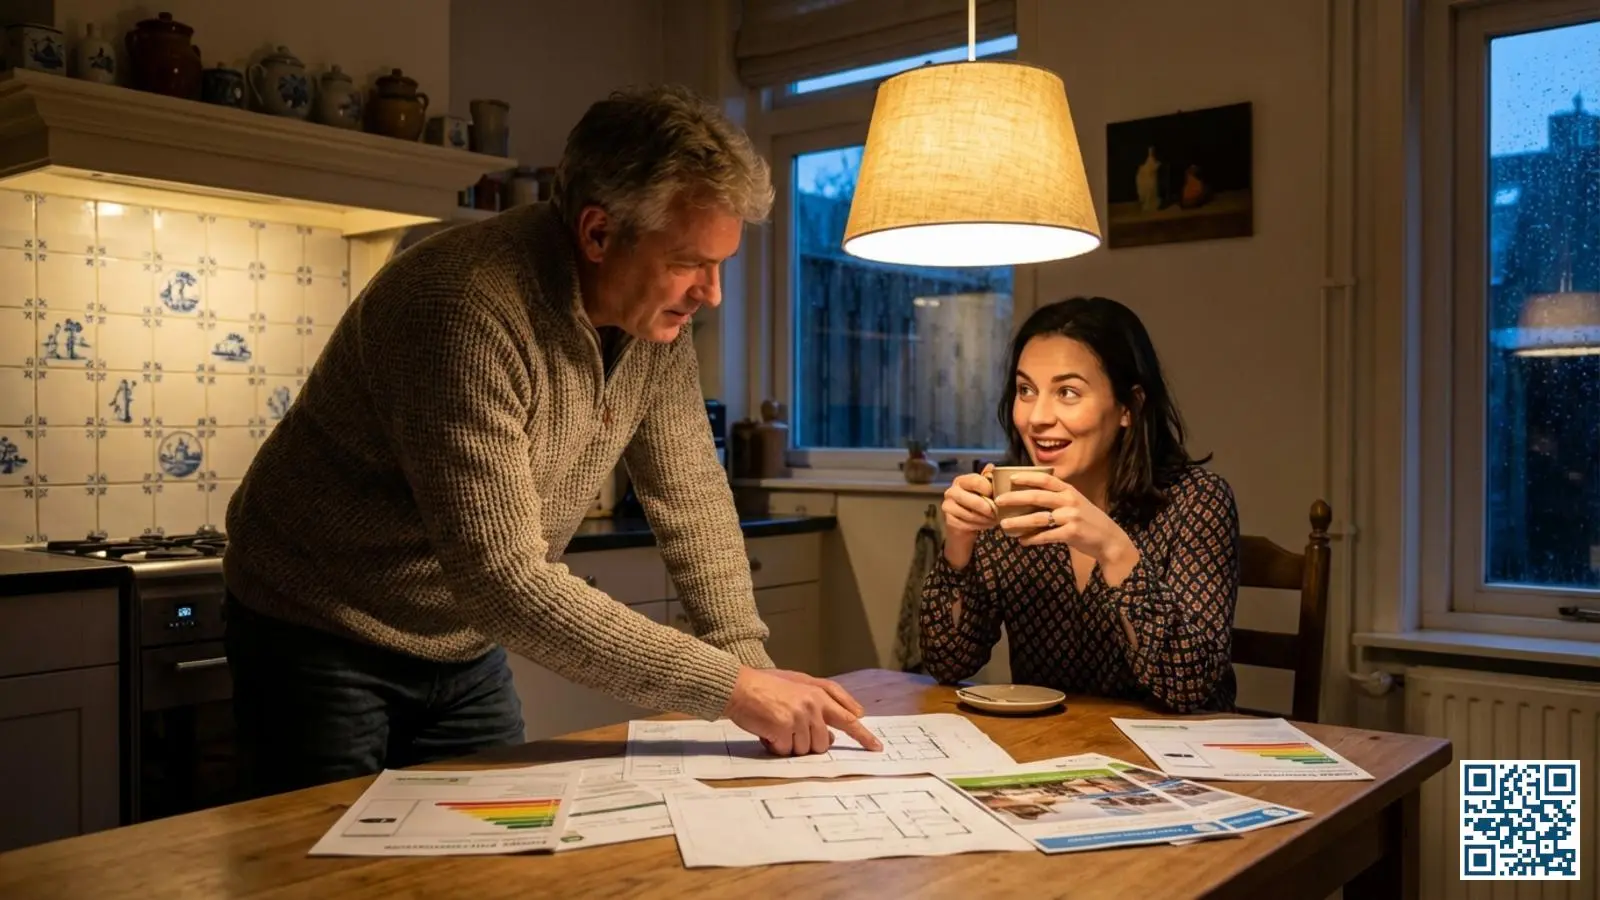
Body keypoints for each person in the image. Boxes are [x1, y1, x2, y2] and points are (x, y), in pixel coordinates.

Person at [222, 84, 880, 799]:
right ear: (598, 234)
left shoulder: (653, 326)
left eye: (721, 265)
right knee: (319, 864)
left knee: (494, 847)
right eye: (691, 262)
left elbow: (691, 495)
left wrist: (753, 669)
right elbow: (505, 582)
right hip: (320, 633)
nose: (712, 294)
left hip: (462, 643)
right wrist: (735, 688)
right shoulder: (463, 305)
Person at [920, 296, 1240, 713]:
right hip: (1050, 750)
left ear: (1129, 407)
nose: (1037, 417)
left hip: (1179, 756)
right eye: (1025, 390)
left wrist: (1113, 549)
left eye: (1067, 392)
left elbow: (1188, 687)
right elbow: (947, 662)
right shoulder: (1012, 502)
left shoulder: (1196, 501)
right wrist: (959, 545)